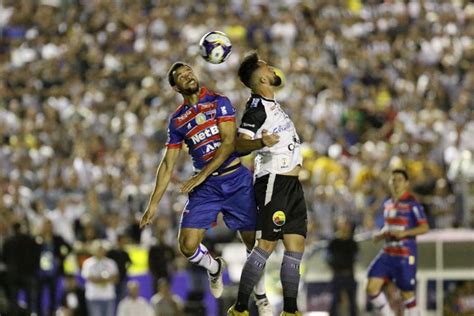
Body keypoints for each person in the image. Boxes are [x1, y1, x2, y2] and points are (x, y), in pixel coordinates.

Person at [139, 62, 277, 314]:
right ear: (175, 87)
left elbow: (228, 145)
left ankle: (261, 296)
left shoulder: (218, 101)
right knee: (187, 246)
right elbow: (167, 164)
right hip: (207, 188)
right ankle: (214, 267)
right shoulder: (178, 120)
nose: (188, 75)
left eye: (189, 71)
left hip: (235, 179)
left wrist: (201, 174)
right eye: (181, 76)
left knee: (252, 243)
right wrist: (153, 204)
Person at [228, 52, 308, 316]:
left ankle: (290, 310)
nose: (273, 68)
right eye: (267, 65)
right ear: (262, 76)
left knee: (295, 246)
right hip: (274, 179)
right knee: (266, 246)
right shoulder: (256, 108)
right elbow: (239, 144)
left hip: (292, 183)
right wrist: (261, 142)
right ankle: (240, 309)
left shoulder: (271, 104)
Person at [366, 169, 429, 316]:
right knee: (371, 287)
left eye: (400, 180)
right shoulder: (388, 203)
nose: (396, 183)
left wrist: (405, 233)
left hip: (405, 254)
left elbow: (424, 227)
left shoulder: (412, 204)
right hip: (388, 252)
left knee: (406, 292)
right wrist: (380, 235)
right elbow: (389, 227)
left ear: (407, 183)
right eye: (393, 180)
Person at [36, 218, 72, 316]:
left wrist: (60, 258)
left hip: (53, 270)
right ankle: (40, 313)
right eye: (46, 225)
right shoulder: (38, 238)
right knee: (39, 294)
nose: (48, 227)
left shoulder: (57, 238)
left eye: (49, 225)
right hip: (41, 271)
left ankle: (52, 312)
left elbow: (69, 247)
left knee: (53, 293)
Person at [326, 217, 358, 316]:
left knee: (352, 302)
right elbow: (327, 258)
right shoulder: (333, 242)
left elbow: (356, 258)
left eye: (346, 224)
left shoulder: (352, 242)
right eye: (342, 224)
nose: (344, 227)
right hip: (337, 275)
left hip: (349, 274)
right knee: (334, 302)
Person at [81, 240, 119, 316]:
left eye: (102, 249)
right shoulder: (88, 263)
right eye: (98, 249)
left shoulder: (111, 263)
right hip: (94, 297)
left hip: (108, 297)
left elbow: (116, 278)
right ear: (93, 250)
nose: (101, 251)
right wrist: (105, 280)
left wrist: (102, 280)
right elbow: (90, 278)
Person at [106, 233, 132, 302]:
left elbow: (130, 262)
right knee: (111, 298)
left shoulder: (124, 253)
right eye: (123, 241)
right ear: (118, 241)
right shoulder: (111, 252)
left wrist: (125, 268)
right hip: (112, 279)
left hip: (122, 278)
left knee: (121, 299)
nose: (124, 243)